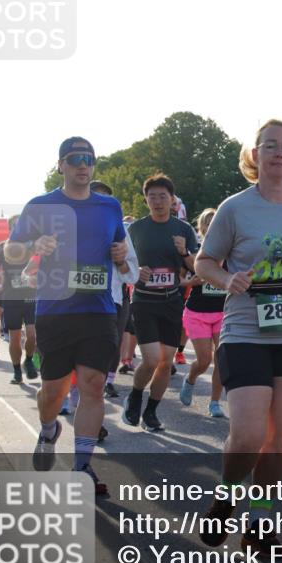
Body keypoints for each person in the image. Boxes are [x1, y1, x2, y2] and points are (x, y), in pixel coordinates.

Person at [195, 119, 282, 556]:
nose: (279, 153)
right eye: (270, 146)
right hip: (246, 329)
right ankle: (226, 495)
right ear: (255, 155)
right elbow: (205, 263)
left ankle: (260, 519)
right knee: (249, 432)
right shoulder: (235, 207)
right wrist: (227, 280)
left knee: (278, 437)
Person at [10, 137, 128, 494]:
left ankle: (82, 467)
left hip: (98, 311)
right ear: (61, 165)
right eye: (75, 159)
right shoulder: (41, 205)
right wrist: (33, 246)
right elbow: (11, 252)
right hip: (56, 310)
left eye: (89, 159)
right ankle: (48, 429)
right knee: (53, 392)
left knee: (93, 387)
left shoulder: (109, 206)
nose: (83, 165)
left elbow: (120, 258)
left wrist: (121, 255)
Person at [122, 173, 198, 432]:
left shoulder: (183, 230)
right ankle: (134, 396)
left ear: (172, 200)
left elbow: (196, 267)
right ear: (146, 200)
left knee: (166, 361)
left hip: (172, 301)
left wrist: (184, 252)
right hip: (144, 300)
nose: (157, 201)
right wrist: (136, 270)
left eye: (162, 196)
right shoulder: (137, 229)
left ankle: (151, 412)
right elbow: (124, 264)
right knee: (152, 358)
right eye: (152, 196)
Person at [89, 180, 139, 400]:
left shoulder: (118, 229)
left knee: (112, 345)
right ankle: (75, 390)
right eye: (95, 197)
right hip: (78, 299)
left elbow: (133, 274)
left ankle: (107, 382)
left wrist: (120, 261)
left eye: (105, 199)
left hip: (113, 299)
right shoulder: (70, 226)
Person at [178, 208, 227, 418]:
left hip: (223, 312)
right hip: (197, 312)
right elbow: (180, 279)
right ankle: (190, 378)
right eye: (207, 223)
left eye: (215, 222)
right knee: (204, 360)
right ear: (202, 228)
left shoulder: (230, 252)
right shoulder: (195, 253)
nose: (211, 226)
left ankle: (215, 403)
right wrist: (190, 281)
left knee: (221, 359)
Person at [0, 217, 40, 383]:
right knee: (15, 336)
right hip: (11, 297)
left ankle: (29, 360)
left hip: (30, 295)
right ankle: (17, 371)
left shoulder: (33, 246)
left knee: (32, 334)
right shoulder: (1, 248)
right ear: (10, 228)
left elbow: (44, 265)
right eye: (15, 225)